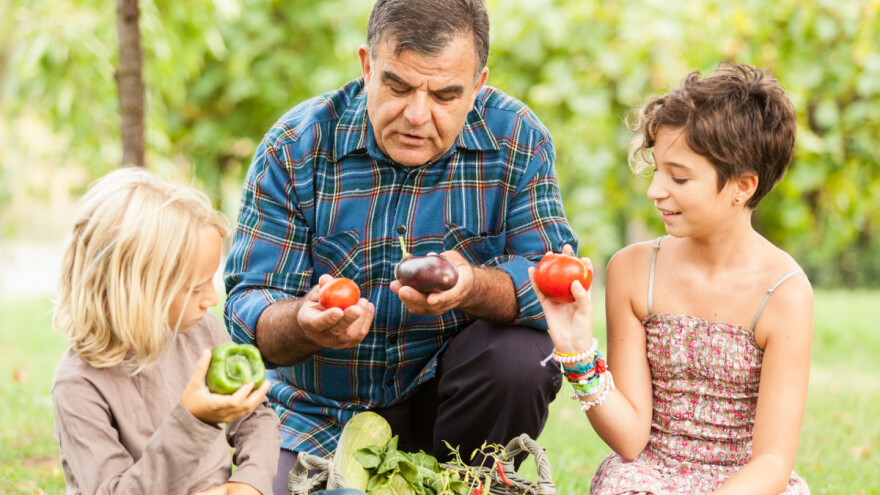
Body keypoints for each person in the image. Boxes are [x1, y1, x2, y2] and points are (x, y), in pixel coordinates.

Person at [223, 0, 576, 492]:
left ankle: (474, 480)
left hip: (452, 410)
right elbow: (246, 310)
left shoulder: (517, 140)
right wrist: (306, 322)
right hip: (318, 414)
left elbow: (558, 286)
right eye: (398, 85)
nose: (416, 114)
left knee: (519, 357)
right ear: (367, 66)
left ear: (478, 85)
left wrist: (472, 285)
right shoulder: (296, 146)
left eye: (445, 94)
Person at [530, 63, 812, 493]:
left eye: (678, 176)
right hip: (650, 474)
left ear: (743, 186)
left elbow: (773, 461)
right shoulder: (633, 271)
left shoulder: (785, 294)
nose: (655, 190)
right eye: (657, 169)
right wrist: (578, 350)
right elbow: (630, 438)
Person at [51, 168, 281, 495]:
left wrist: (249, 482)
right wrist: (195, 419)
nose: (212, 300)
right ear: (135, 290)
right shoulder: (79, 385)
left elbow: (256, 416)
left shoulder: (202, 333)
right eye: (195, 287)